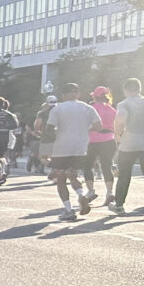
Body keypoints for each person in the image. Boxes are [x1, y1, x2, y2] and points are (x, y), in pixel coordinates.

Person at [42, 81, 104, 222]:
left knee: (61, 179)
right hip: (80, 147)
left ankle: (68, 210)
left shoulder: (57, 109)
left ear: (63, 95)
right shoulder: (87, 108)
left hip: (61, 147)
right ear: (78, 94)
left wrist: (49, 143)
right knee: (73, 175)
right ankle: (82, 195)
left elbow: (49, 129)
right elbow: (99, 126)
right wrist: (85, 130)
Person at [109, 77, 144, 217]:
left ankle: (119, 205)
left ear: (125, 90)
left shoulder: (124, 104)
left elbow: (121, 119)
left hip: (129, 143)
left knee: (124, 174)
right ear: (139, 88)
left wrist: (117, 134)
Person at [85, 85, 118, 207]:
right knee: (107, 166)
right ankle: (109, 193)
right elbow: (117, 126)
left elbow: (86, 124)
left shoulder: (90, 108)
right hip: (109, 140)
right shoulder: (112, 109)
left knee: (87, 166)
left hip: (92, 140)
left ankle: (90, 191)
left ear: (95, 96)